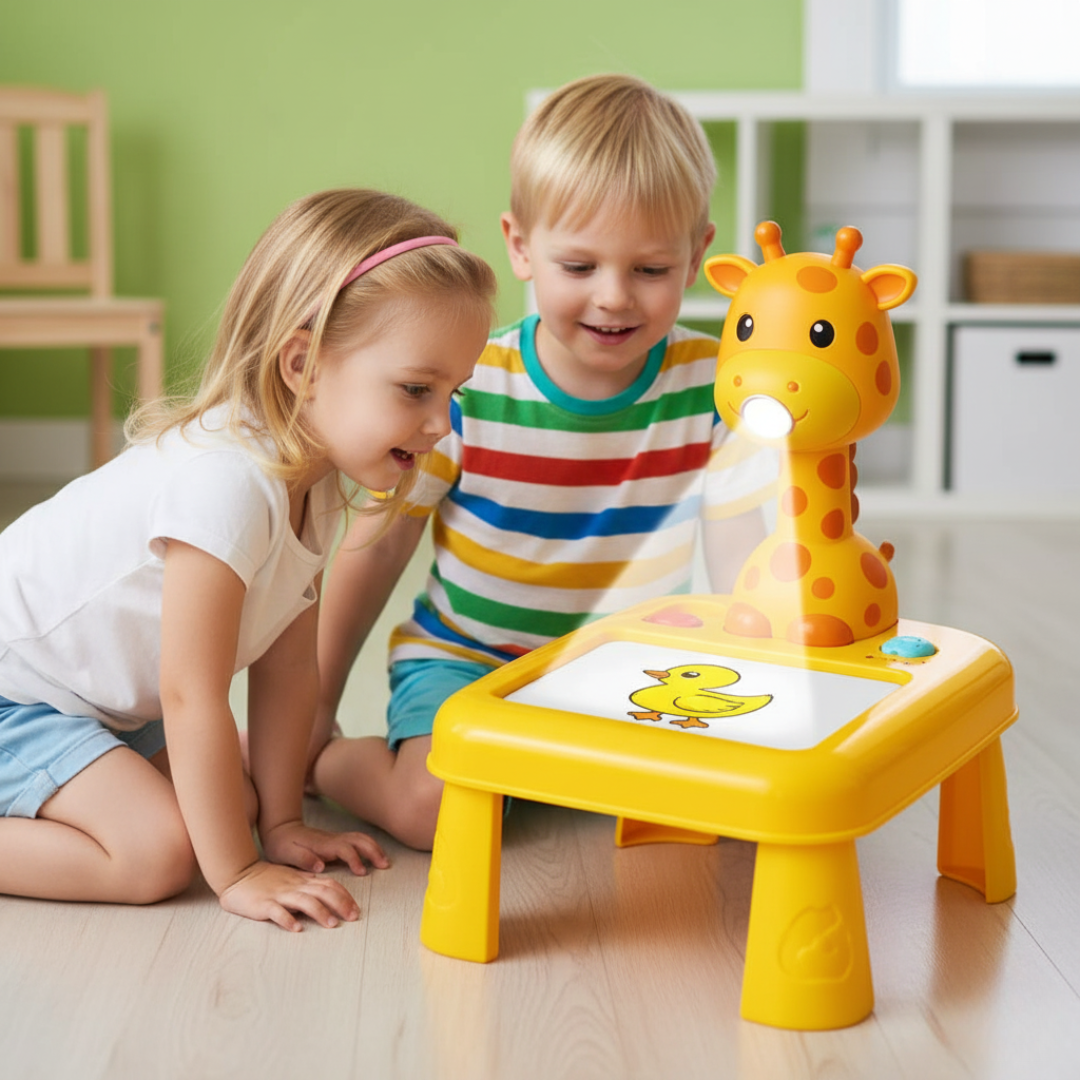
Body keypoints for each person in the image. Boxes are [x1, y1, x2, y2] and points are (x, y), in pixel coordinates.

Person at [0, 189, 496, 930]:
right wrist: (238, 871)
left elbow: (288, 666)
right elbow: (191, 693)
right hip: (21, 697)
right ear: (302, 364)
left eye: (453, 392)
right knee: (162, 854)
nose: (439, 423)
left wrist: (284, 824)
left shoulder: (321, 479)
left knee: (241, 800)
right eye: (416, 389)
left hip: (103, 707)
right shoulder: (225, 483)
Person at [308, 75, 777, 850]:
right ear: (521, 247)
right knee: (436, 814)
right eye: (581, 266)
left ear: (697, 255)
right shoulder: (465, 385)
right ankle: (333, 767)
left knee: (721, 810)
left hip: (640, 673)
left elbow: (740, 569)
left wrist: (762, 700)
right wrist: (312, 713)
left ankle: (558, 767)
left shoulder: (714, 388)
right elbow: (378, 547)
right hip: (468, 661)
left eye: (651, 270)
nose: (615, 298)